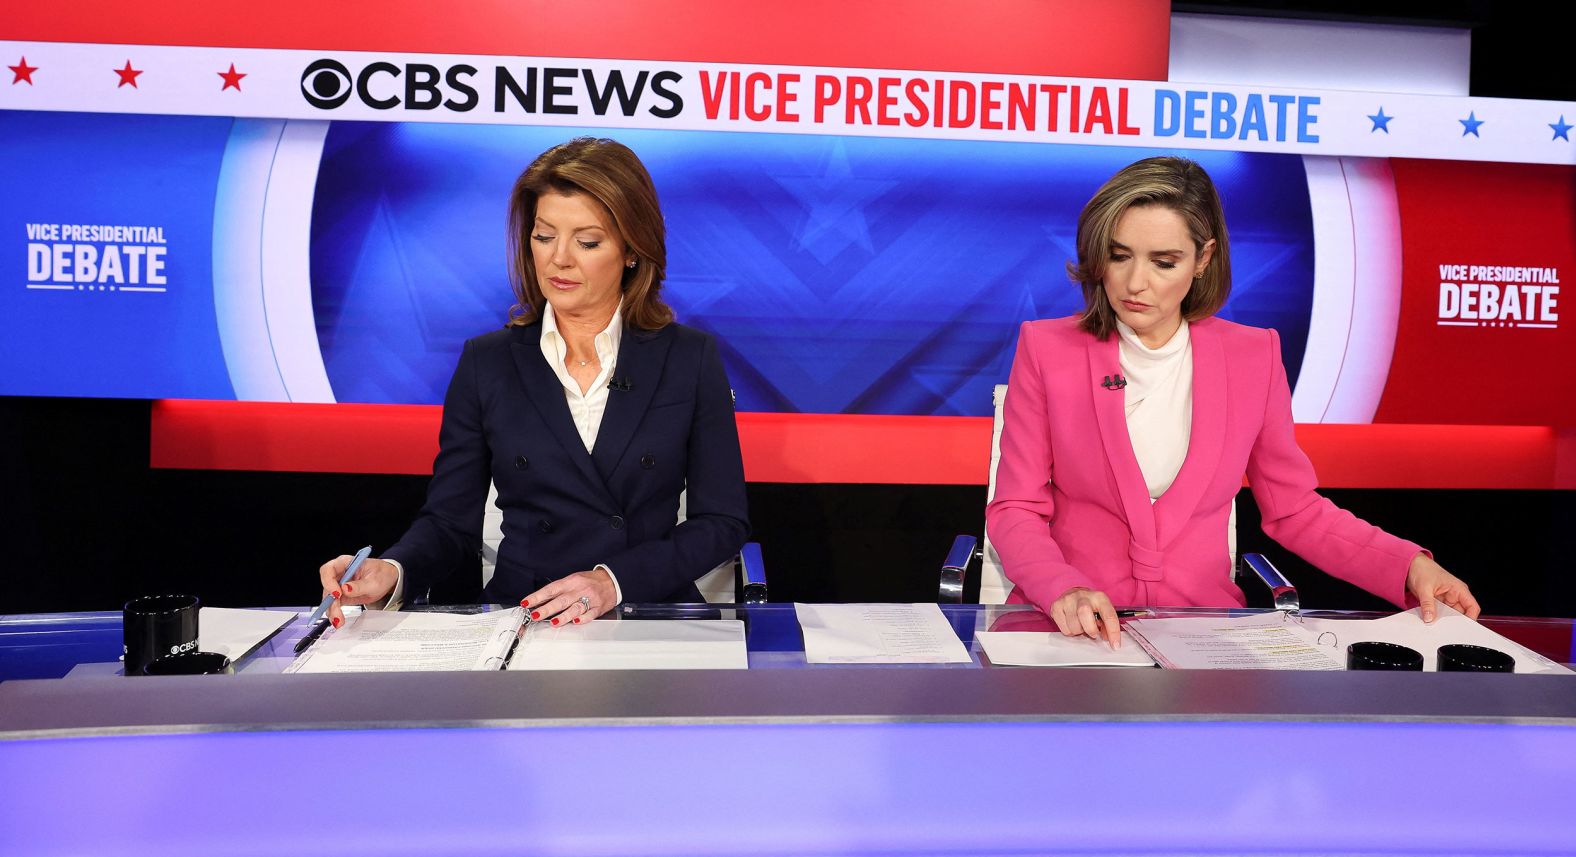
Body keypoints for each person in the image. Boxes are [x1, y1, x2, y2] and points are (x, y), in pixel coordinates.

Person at [985, 156, 1478, 647]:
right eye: (1118, 256)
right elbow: (1015, 509)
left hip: (1201, 637)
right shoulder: (1047, 349)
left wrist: (1408, 566)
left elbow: (1295, 511)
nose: (1136, 283)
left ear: (1203, 259)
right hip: (1067, 631)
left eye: (1164, 262)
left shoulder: (1253, 357)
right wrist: (1062, 588)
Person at [317, 137, 749, 627]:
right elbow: (449, 522)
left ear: (632, 249)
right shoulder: (487, 362)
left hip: (647, 609)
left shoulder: (689, 357)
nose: (559, 259)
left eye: (587, 242)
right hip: (525, 613)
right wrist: (392, 571)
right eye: (544, 236)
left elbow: (722, 521)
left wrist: (612, 581)